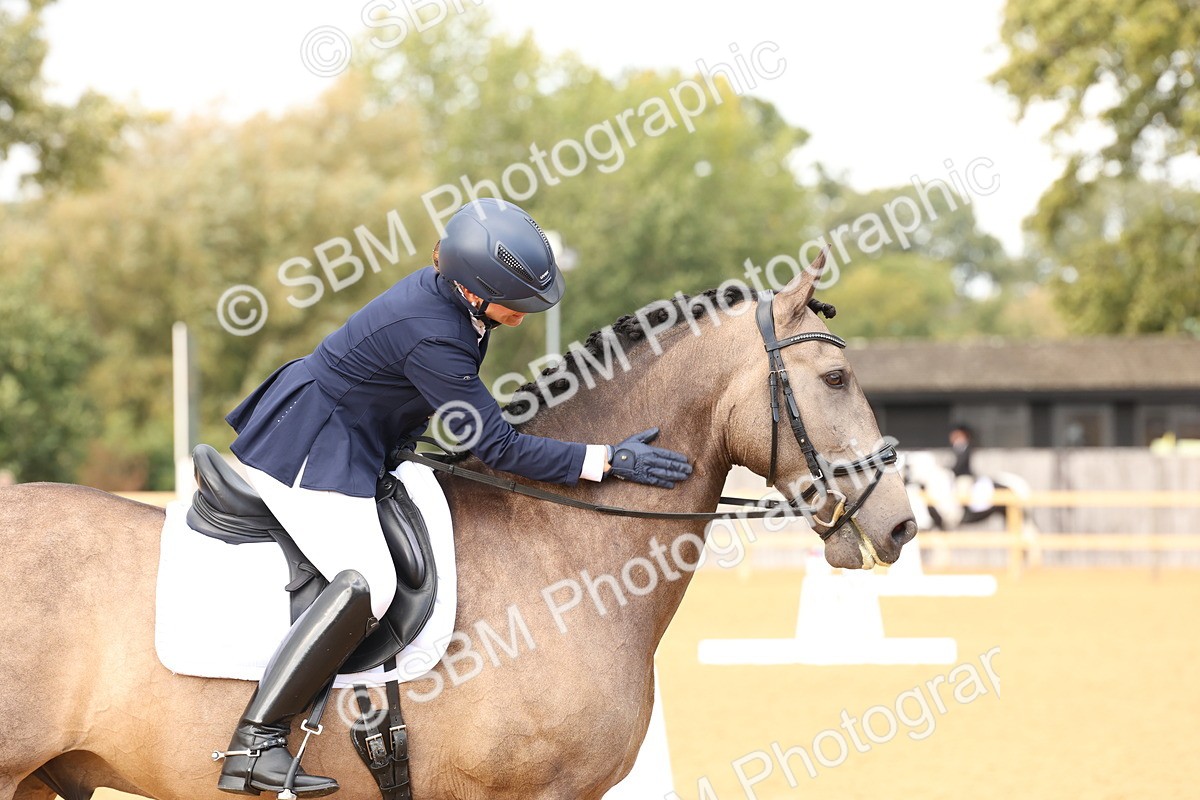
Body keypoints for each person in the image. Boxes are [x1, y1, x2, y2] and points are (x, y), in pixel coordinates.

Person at [214, 198, 694, 795]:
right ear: (472, 290)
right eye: (513, 304)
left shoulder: (456, 306)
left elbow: (406, 396)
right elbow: (498, 448)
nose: (521, 315)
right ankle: (255, 741)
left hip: (362, 438)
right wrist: (605, 459)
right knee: (370, 580)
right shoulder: (434, 332)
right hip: (313, 445)